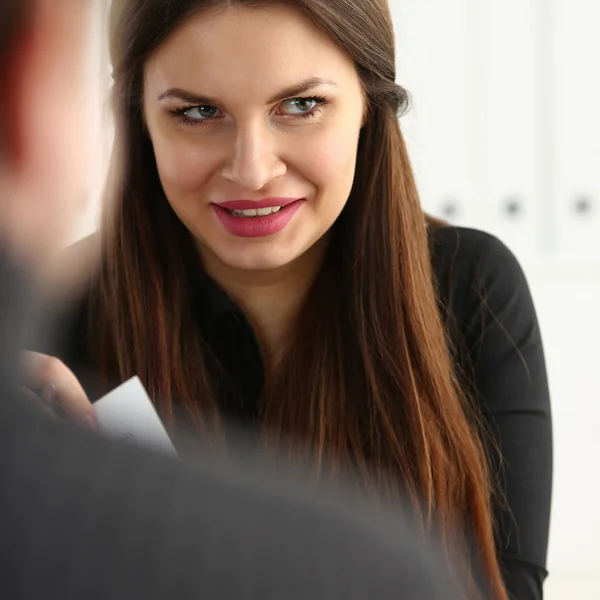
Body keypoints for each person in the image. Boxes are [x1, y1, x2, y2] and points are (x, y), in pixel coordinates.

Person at [27, 1, 552, 598]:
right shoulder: (52, 314)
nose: (252, 171)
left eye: (301, 106)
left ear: (367, 105)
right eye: (198, 112)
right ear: (138, 118)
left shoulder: (473, 290)